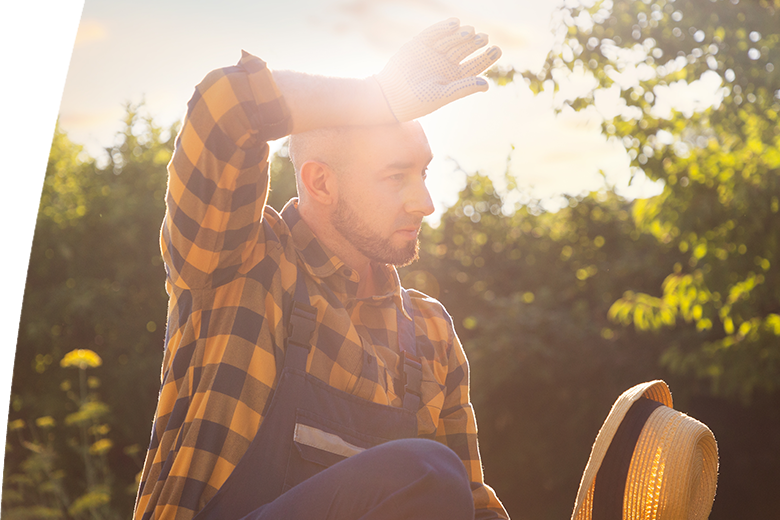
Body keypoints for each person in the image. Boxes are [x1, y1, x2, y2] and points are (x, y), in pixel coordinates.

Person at [134, 18, 509, 520]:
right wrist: (379, 97)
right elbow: (225, 106)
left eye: (422, 173)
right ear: (321, 182)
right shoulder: (241, 263)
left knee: (439, 480)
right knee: (427, 470)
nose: (425, 203)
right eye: (396, 177)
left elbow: (468, 505)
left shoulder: (431, 333)